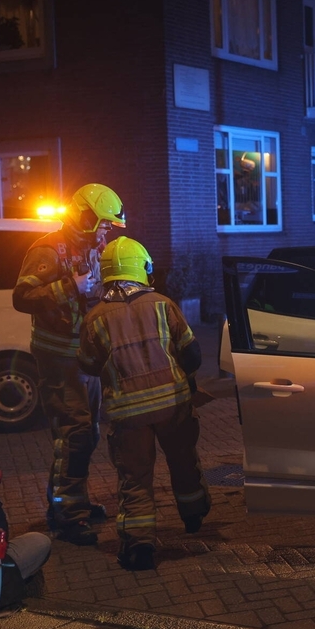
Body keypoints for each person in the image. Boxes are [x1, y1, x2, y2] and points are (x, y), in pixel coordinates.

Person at [77, 237, 211, 571]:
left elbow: (88, 365)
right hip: (173, 405)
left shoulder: (95, 318)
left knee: (135, 479)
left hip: (128, 415)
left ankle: (140, 548)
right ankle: (193, 516)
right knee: (183, 461)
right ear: (143, 268)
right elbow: (192, 354)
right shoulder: (163, 305)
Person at [13, 183, 126, 545]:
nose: (106, 230)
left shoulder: (91, 247)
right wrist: (69, 286)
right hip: (59, 359)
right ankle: (65, 516)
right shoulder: (48, 249)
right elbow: (23, 296)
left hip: (82, 358)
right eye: (103, 223)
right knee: (73, 435)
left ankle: (74, 502)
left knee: (87, 433)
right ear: (85, 216)